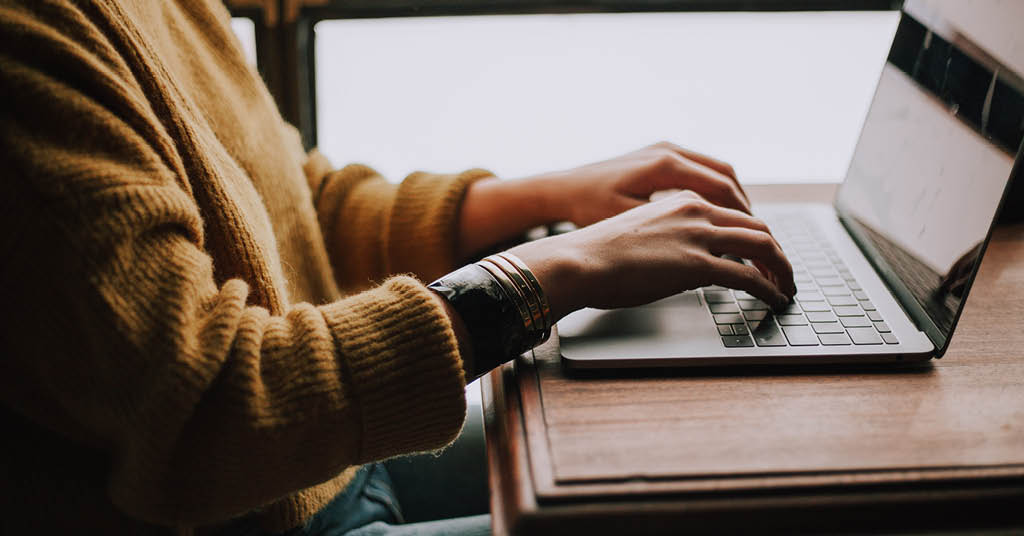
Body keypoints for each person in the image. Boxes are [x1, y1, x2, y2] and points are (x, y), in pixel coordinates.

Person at [0, 0, 795, 534]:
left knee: (704, 466)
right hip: (265, 511)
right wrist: (551, 269)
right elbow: (210, 413)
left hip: (326, 470)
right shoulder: (25, 45)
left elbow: (289, 204)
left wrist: (549, 196)